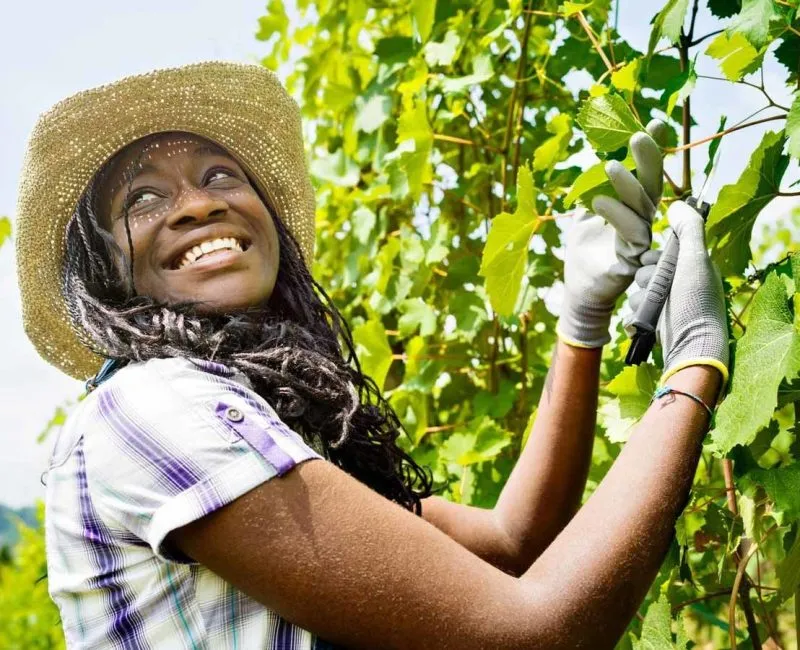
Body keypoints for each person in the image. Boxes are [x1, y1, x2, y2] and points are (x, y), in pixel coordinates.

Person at [16, 61, 728, 649]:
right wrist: (694, 366)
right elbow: (535, 635)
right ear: (106, 271)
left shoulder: (259, 422)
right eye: (143, 196)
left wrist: (581, 325)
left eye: (221, 176)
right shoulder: (155, 406)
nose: (198, 205)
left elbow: (514, 541)